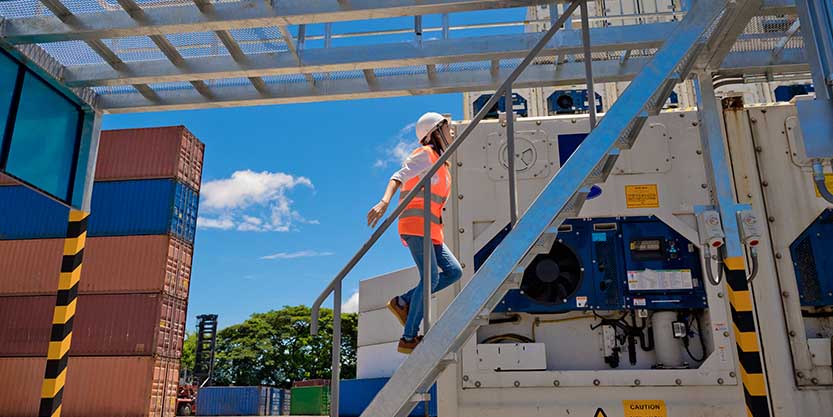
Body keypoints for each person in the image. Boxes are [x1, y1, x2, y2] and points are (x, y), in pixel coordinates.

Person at [366, 112, 464, 354]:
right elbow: (398, 176)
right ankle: (409, 337)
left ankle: (404, 301)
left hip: (432, 231)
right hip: (416, 226)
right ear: (435, 132)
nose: (452, 132)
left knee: (453, 272)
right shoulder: (425, 155)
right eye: (447, 128)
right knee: (430, 277)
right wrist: (383, 202)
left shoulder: (443, 164)